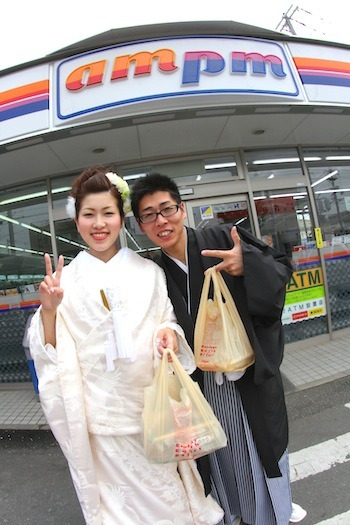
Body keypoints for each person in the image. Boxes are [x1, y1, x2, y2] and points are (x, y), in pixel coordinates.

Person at [29, 166, 223, 525]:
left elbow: (166, 319)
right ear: (77, 220)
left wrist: (168, 334)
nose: (99, 224)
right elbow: (50, 354)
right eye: (89, 214)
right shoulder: (64, 281)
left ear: (121, 219)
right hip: (102, 423)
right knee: (119, 513)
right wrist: (49, 312)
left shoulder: (149, 272)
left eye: (108, 213)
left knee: (169, 503)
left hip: (152, 415)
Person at [131, 173, 307, 525]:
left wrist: (248, 267)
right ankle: (238, 513)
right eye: (149, 215)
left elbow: (281, 266)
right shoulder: (153, 271)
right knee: (222, 460)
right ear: (139, 225)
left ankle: (272, 514)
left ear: (182, 209)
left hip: (246, 378)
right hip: (203, 389)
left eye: (167, 209)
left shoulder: (219, 237)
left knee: (261, 452)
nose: (161, 220)